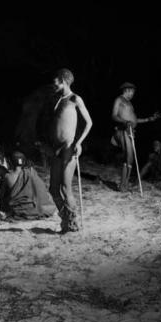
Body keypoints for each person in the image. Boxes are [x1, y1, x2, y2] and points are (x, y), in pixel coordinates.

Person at [49, 68, 92, 234]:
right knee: (53, 189)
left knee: (66, 188)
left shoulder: (75, 98)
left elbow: (89, 123)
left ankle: (72, 223)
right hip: (56, 149)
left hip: (68, 147)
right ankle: (66, 218)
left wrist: (79, 142)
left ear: (63, 80)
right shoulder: (58, 99)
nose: (53, 83)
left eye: (56, 81)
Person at [111, 82, 159, 191]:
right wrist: (125, 122)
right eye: (132, 92)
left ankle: (125, 185)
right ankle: (123, 186)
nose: (133, 94)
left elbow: (134, 120)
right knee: (128, 156)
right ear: (127, 90)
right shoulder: (119, 99)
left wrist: (149, 119)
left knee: (130, 158)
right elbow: (114, 115)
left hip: (131, 131)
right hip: (123, 130)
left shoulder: (129, 103)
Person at [2, 150, 56, 219]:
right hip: (33, 207)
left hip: (17, 209)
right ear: (24, 162)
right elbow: (41, 189)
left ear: (10, 162)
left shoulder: (7, 176)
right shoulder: (30, 173)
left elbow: (3, 195)